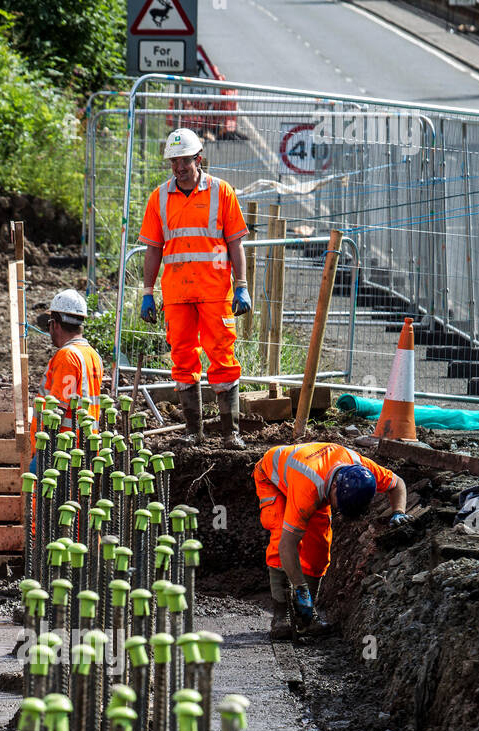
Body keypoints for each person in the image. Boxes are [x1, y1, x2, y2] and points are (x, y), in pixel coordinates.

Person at [139, 128, 251, 444]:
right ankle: (193, 432)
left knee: (222, 355)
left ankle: (231, 432)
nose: (178, 168)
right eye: (174, 162)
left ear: (198, 159)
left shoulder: (222, 192)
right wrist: (148, 292)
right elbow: (153, 248)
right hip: (177, 294)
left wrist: (241, 285)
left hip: (215, 292)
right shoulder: (159, 198)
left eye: (184, 161)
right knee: (183, 357)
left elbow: (235, 243)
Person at [254, 441, 408, 638]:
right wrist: (300, 589)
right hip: (273, 479)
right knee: (279, 537)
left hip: (314, 479)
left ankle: (306, 617)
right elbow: (288, 545)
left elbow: (398, 484)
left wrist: (398, 512)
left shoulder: (362, 469)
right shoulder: (308, 489)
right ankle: (281, 615)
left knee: (318, 548)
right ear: (335, 487)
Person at [30, 290, 103, 453]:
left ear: (54, 324)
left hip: (62, 451)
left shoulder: (67, 356)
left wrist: (43, 453)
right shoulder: (93, 355)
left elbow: (57, 410)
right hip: (84, 448)